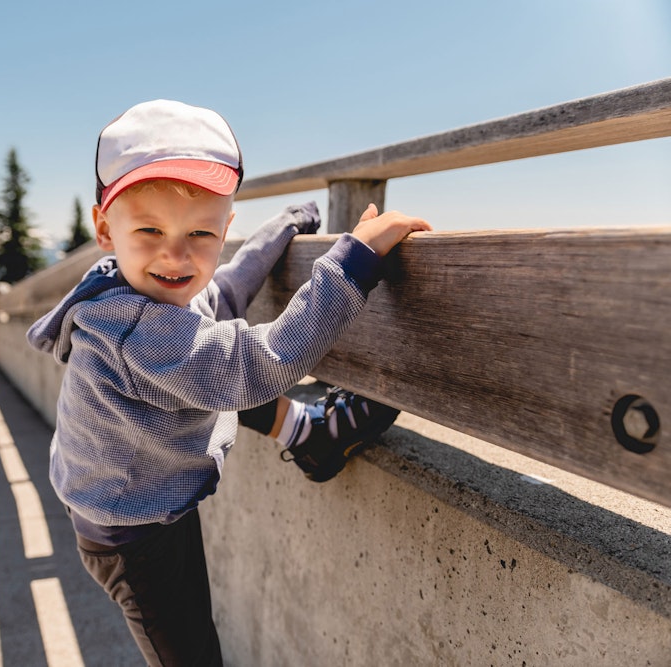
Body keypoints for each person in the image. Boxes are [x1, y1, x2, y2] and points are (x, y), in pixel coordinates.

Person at [27, 99, 431, 665]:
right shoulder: (136, 327)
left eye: (201, 233)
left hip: (134, 497)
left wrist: (280, 231)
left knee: (209, 360)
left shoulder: (133, 285)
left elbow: (218, 295)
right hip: (133, 536)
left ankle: (307, 432)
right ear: (104, 228)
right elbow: (256, 363)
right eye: (149, 229)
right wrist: (352, 262)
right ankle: (310, 432)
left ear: (224, 229)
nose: (176, 252)